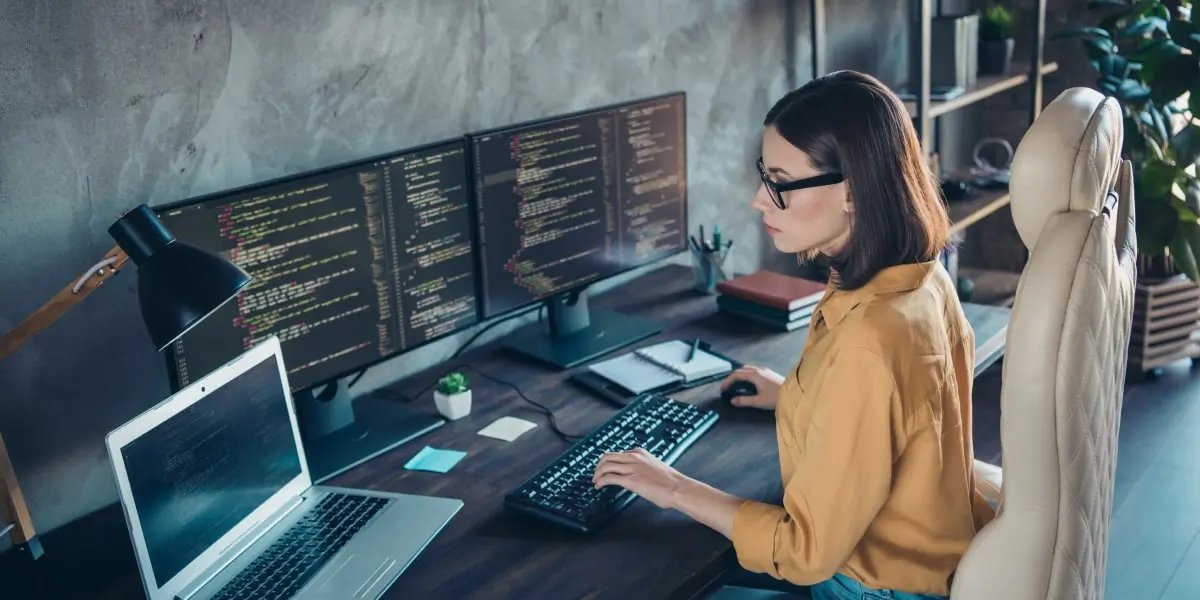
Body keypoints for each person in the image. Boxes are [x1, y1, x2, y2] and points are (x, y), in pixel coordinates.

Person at [592, 70, 996, 600]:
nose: (760, 200)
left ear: (852, 192)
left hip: (872, 587)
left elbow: (803, 552)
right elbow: (900, 414)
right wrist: (794, 396)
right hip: (930, 560)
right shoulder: (919, 276)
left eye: (780, 183)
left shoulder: (869, 338)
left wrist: (671, 487)